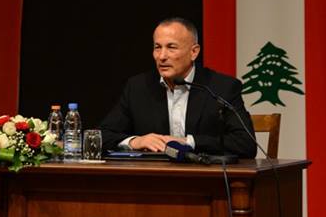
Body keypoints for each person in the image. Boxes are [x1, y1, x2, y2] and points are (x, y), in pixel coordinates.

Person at [100, 17, 257, 158]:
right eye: (157, 47)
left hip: (206, 180)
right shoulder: (138, 87)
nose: (162, 56)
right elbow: (101, 136)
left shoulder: (221, 87)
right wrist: (136, 141)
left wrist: (189, 142)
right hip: (152, 179)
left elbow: (245, 144)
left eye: (171, 47)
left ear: (194, 52)